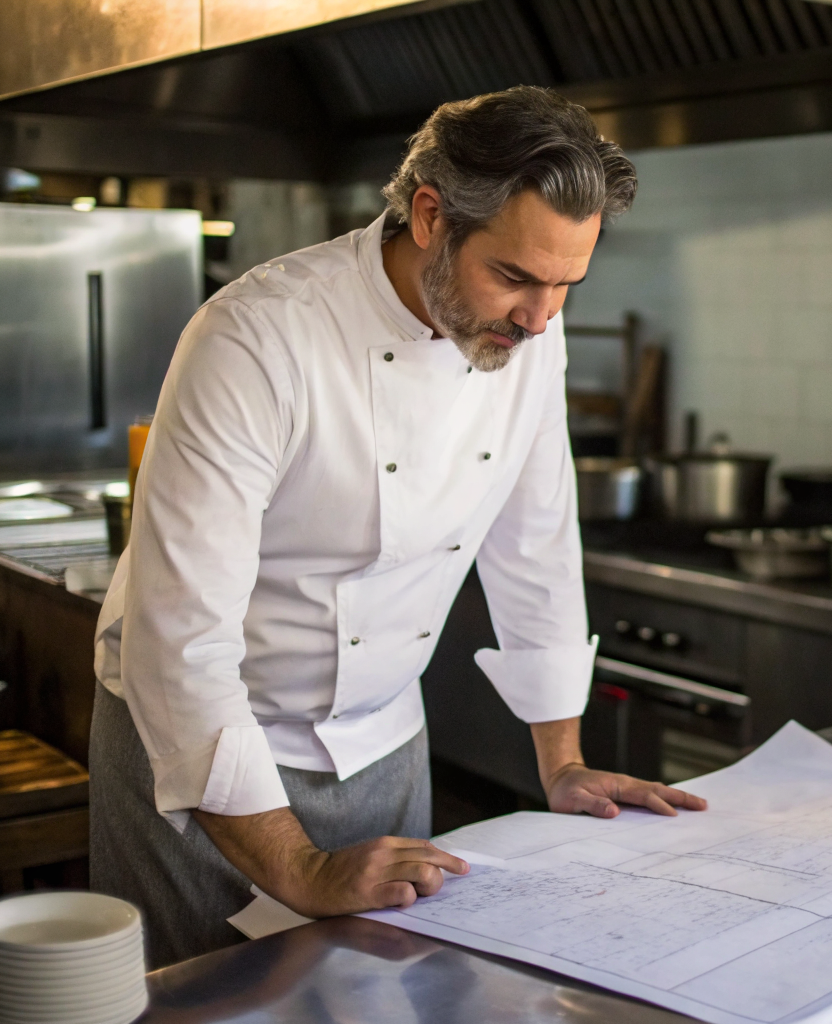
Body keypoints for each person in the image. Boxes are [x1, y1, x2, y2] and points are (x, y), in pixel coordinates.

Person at [90, 87, 705, 969]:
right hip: (203, 758)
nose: (541, 318)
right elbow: (177, 643)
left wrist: (562, 761)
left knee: (377, 996)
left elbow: (535, 543)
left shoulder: (528, 333)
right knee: (204, 998)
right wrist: (297, 865)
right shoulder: (256, 340)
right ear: (429, 215)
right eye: (518, 277)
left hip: (384, 744)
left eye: (569, 283)